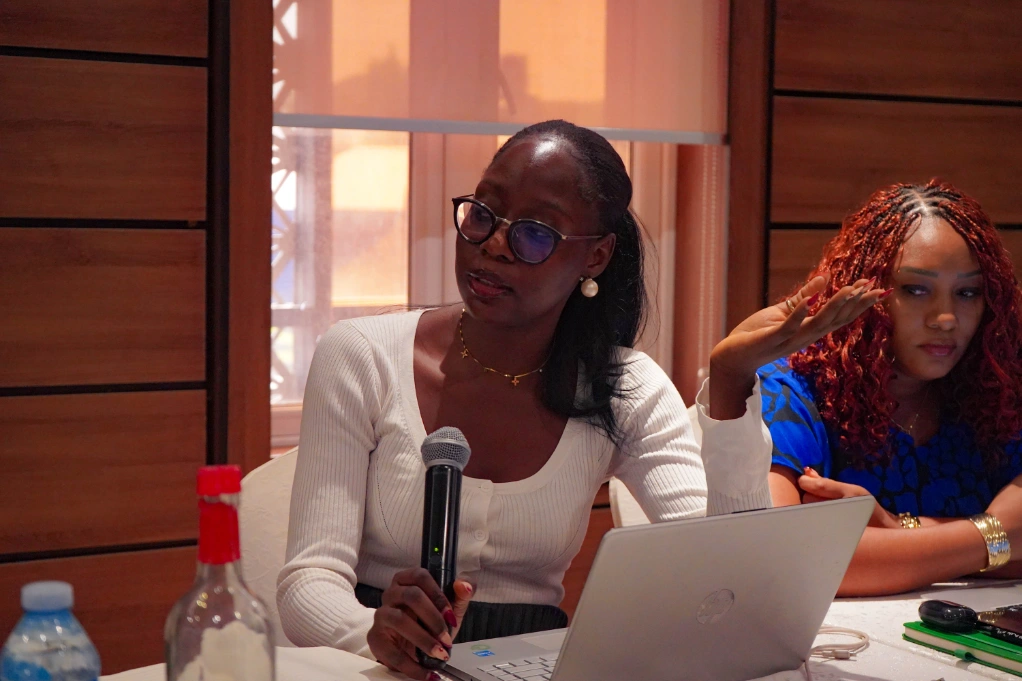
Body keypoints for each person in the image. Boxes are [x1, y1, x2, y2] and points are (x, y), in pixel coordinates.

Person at [277, 119, 884, 680]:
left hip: (538, 665)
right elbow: (309, 581)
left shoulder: (625, 388)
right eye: (483, 213)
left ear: (595, 256)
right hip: (379, 666)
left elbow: (733, 584)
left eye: (535, 233)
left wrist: (730, 383)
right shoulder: (362, 356)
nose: (494, 244)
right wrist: (371, 635)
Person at [761, 179, 1022, 597]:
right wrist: (996, 536)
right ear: (864, 290)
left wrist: (898, 528)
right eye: (916, 289)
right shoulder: (794, 388)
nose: (946, 318)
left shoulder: (1002, 387)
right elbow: (790, 559)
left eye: (967, 292)